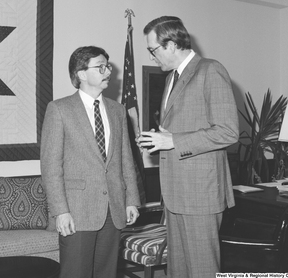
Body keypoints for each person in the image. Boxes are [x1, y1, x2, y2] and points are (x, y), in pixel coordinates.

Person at [137, 16, 239, 278]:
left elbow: (228, 132)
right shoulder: (172, 77)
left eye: (153, 50)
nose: (152, 56)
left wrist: (173, 141)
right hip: (175, 192)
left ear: (171, 44)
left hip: (200, 195)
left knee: (202, 269)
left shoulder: (210, 70)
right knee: (178, 270)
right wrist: (158, 139)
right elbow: (182, 129)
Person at [40, 46, 141, 278]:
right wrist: (60, 211)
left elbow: (126, 159)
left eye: (108, 66)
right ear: (82, 74)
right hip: (77, 211)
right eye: (101, 67)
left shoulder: (118, 110)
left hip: (113, 209)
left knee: (106, 273)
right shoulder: (59, 109)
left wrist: (131, 200)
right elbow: (51, 167)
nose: (108, 71)